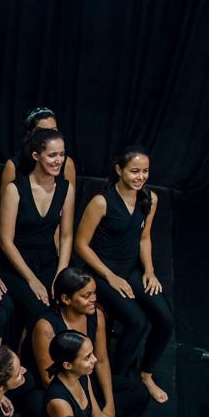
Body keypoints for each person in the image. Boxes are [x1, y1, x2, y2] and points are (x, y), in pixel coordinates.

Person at [75, 146, 172, 403]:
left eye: (145, 171)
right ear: (119, 170)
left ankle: (146, 374)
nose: (140, 177)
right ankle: (115, 380)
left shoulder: (150, 199)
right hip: (102, 272)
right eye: (134, 171)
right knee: (136, 322)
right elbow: (81, 245)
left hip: (131, 271)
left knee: (165, 319)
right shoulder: (101, 201)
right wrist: (109, 276)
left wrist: (150, 271)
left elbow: (144, 238)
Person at [32, 266, 149, 417]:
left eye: (94, 293)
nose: (93, 299)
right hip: (65, 386)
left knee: (139, 392)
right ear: (66, 299)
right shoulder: (46, 327)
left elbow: (101, 361)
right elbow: (48, 379)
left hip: (85, 374)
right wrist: (89, 403)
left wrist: (109, 403)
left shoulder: (97, 316)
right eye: (86, 296)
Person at [0, 128, 75, 322]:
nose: (59, 160)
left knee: (66, 306)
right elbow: (6, 241)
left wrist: (61, 274)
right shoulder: (15, 189)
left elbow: (66, 236)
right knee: (40, 311)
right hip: (17, 266)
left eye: (62, 154)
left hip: (49, 261)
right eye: (52, 155)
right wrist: (31, 280)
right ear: (35, 156)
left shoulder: (66, 189)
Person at [0, 106, 78, 198]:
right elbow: (6, 205)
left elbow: (69, 202)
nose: (50, 136)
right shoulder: (13, 165)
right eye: (43, 132)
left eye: (53, 130)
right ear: (30, 133)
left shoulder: (66, 163)